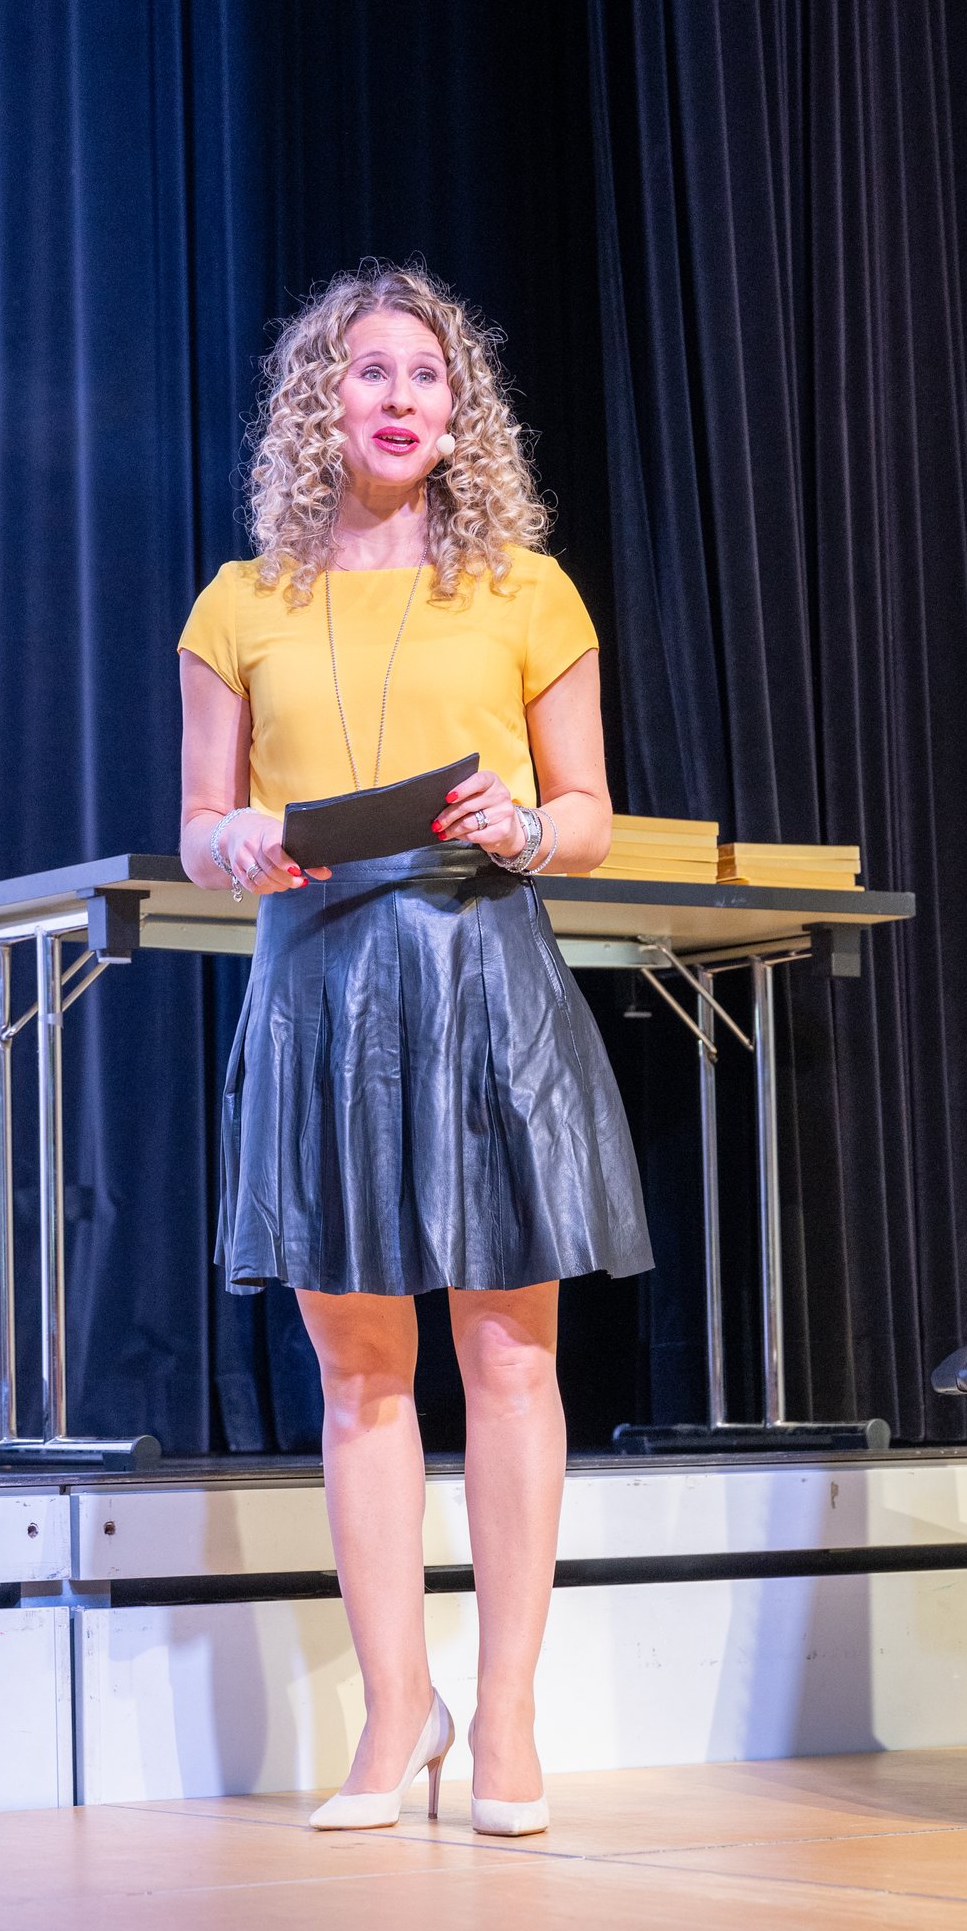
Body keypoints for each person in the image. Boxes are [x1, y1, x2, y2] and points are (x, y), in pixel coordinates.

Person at [177, 260, 653, 1837]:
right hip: (317, 982)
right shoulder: (238, 603)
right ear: (322, 402)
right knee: (357, 1368)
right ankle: (398, 1714)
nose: (398, 397)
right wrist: (238, 841)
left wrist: (524, 823)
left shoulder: (525, 591)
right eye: (369, 371)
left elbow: (585, 816)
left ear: (461, 414)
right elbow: (199, 826)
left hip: (477, 973)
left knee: (507, 1354)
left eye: (426, 375)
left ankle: (504, 1716)